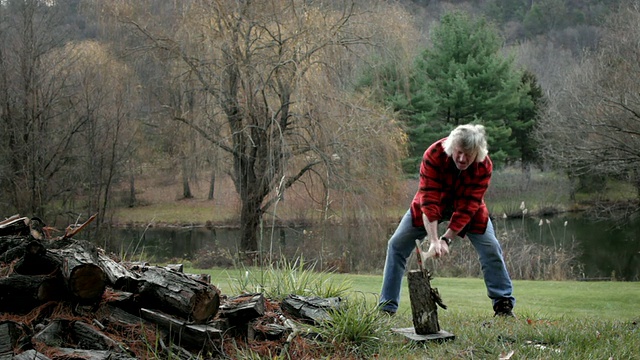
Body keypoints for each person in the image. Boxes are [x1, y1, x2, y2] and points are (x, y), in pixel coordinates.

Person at [378, 123, 515, 317]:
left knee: (490, 247)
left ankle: (503, 305)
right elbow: (429, 199)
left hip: (467, 207)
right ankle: (386, 308)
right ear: (452, 147)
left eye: (468, 154)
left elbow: (469, 205)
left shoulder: (484, 165)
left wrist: (447, 238)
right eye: (459, 152)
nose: (462, 158)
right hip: (432, 203)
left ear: (478, 152)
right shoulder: (434, 154)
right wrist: (434, 240)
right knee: (396, 245)